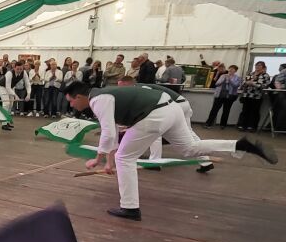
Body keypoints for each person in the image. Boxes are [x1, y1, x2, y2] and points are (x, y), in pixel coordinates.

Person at [63, 81, 277, 221]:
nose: (72, 105)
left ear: (79, 96)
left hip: (154, 114)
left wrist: (98, 158)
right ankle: (239, 145)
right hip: (171, 110)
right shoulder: (108, 96)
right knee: (190, 148)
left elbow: (109, 133)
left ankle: (130, 207)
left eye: (71, 101)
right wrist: (109, 162)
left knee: (125, 158)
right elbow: (116, 132)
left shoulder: (98, 99)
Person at [238, 61, 270, 132]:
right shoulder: (250, 74)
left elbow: (265, 85)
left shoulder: (265, 75)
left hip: (257, 96)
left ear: (263, 67)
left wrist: (253, 84)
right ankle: (242, 125)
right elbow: (243, 82)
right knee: (245, 110)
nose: (257, 66)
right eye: (256, 65)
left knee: (254, 111)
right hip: (246, 95)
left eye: (259, 65)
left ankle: (252, 126)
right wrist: (246, 83)